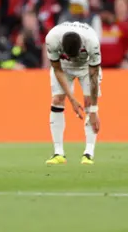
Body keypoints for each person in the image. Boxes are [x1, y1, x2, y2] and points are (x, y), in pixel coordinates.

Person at [44, 21, 102, 165]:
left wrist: (94, 110)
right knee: (57, 100)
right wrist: (72, 99)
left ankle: (88, 153)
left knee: (89, 104)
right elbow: (57, 69)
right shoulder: (52, 39)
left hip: (86, 67)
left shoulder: (92, 42)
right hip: (64, 67)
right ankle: (58, 153)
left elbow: (94, 74)